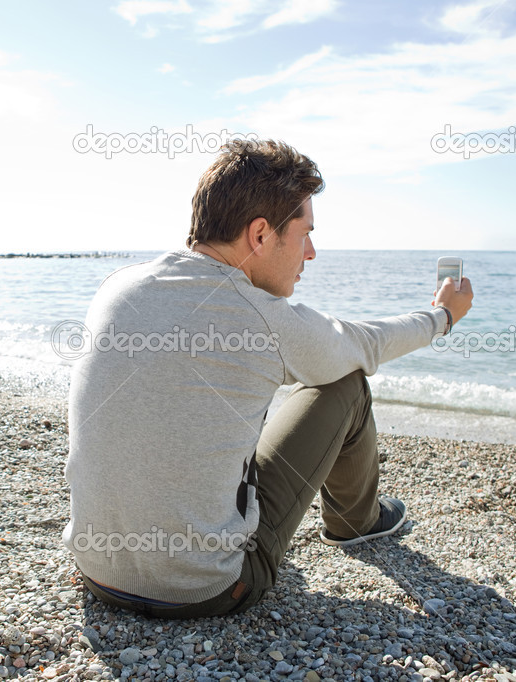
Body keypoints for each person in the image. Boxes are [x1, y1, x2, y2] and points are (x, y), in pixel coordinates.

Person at [62, 139, 473, 619]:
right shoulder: (261, 317)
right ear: (260, 234)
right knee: (345, 381)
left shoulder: (118, 286)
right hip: (209, 589)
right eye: (305, 234)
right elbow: (364, 344)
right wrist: (443, 316)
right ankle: (356, 523)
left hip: (97, 572)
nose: (312, 252)